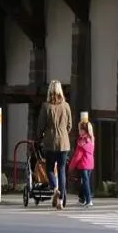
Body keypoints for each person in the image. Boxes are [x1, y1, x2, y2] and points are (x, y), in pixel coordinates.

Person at [36, 80, 72, 209]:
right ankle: (61, 199)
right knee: (62, 169)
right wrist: (63, 133)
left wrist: (39, 138)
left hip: (50, 142)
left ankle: (55, 188)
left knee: (50, 168)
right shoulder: (66, 106)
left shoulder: (46, 106)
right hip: (64, 142)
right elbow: (70, 125)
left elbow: (41, 126)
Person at [69, 120, 95, 206]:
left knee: (85, 182)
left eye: (80, 130)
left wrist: (71, 166)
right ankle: (83, 199)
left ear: (84, 131)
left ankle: (88, 200)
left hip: (83, 165)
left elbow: (77, 156)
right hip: (90, 164)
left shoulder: (81, 141)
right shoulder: (91, 139)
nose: (79, 131)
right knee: (85, 182)